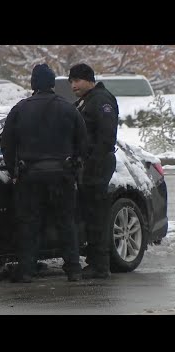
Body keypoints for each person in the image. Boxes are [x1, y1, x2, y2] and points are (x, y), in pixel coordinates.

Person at [1, 63, 88, 283]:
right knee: (66, 223)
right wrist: (75, 166)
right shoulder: (69, 109)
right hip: (63, 175)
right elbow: (83, 143)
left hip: (29, 176)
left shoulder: (20, 109)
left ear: (33, 84)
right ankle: (74, 269)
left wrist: (14, 171)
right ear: (52, 84)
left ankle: (27, 270)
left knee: (29, 224)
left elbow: (7, 145)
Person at [68, 63, 119, 279]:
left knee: (97, 214)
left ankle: (100, 265)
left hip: (97, 165)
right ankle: (95, 260)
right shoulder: (85, 101)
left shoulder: (101, 100)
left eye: (77, 81)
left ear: (89, 79)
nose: (73, 86)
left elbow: (106, 136)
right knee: (89, 213)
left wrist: (93, 162)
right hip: (88, 165)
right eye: (71, 81)